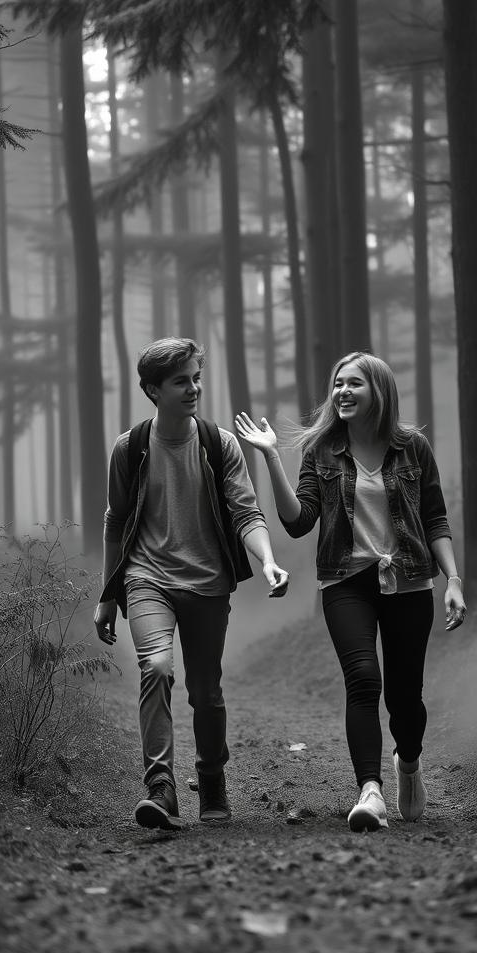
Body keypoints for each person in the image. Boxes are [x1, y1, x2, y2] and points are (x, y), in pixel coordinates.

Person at [235, 351, 466, 832]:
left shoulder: (412, 448)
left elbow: (435, 517)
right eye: (338, 383)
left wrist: (453, 581)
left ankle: (408, 762)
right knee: (363, 678)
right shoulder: (322, 450)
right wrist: (272, 456)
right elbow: (298, 523)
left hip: (408, 580)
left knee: (406, 696)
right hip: (345, 581)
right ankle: (370, 791)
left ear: (378, 391)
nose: (342, 391)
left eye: (354, 384)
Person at [94, 337, 289, 831]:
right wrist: (107, 595)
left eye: (197, 377)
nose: (193, 388)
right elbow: (116, 522)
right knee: (156, 668)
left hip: (208, 582)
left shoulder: (218, 444)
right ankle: (160, 789)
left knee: (206, 691)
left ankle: (212, 780)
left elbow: (247, 513)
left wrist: (267, 561)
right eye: (182, 380)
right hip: (146, 578)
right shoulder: (130, 448)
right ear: (152, 390)